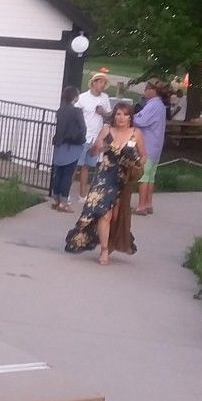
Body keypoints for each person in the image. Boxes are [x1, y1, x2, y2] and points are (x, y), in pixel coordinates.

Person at [64, 101, 145, 265]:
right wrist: (99, 147)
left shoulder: (135, 133)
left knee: (115, 215)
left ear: (130, 117)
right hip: (105, 175)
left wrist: (137, 165)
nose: (121, 118)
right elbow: (93, 151)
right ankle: (104, 250)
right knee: (103, 213)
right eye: (118, 114)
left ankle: (113, 240)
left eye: (125, 114)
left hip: (123, 178)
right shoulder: (107, 130)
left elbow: (144, 155)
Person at [76, 73, 114, 197]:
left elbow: (109, 116)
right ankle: (66, 194)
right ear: (94, 83)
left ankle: (83, 194)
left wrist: (103, 113)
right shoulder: (82, 98)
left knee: (87, 166)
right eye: (101, 82)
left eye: (104, 83)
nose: (103, 85)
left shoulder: (105, 98)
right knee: (76, 165)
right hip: (83, 136)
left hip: (96, 137)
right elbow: (75, 114)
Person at [133, 79, 168, 215]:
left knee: (143, 176)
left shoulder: (152, 105)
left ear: (153, 90)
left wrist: (129, 117)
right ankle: (148, 203)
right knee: (151, 177)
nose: (145, 90)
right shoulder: (160, 105)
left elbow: (140, 121)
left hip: (147, 146)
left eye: (147, 88)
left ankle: (141, 206)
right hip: (156, 146)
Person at [49, 86, 85, 212]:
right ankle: (64, 203)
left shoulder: (60, 110)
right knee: (68, 175)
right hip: (72, 145)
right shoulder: (77, 112)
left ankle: (56, 199)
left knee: (58, 173)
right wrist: (81, 140)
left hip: (60, 145)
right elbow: (82, 129)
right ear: (74, 97)